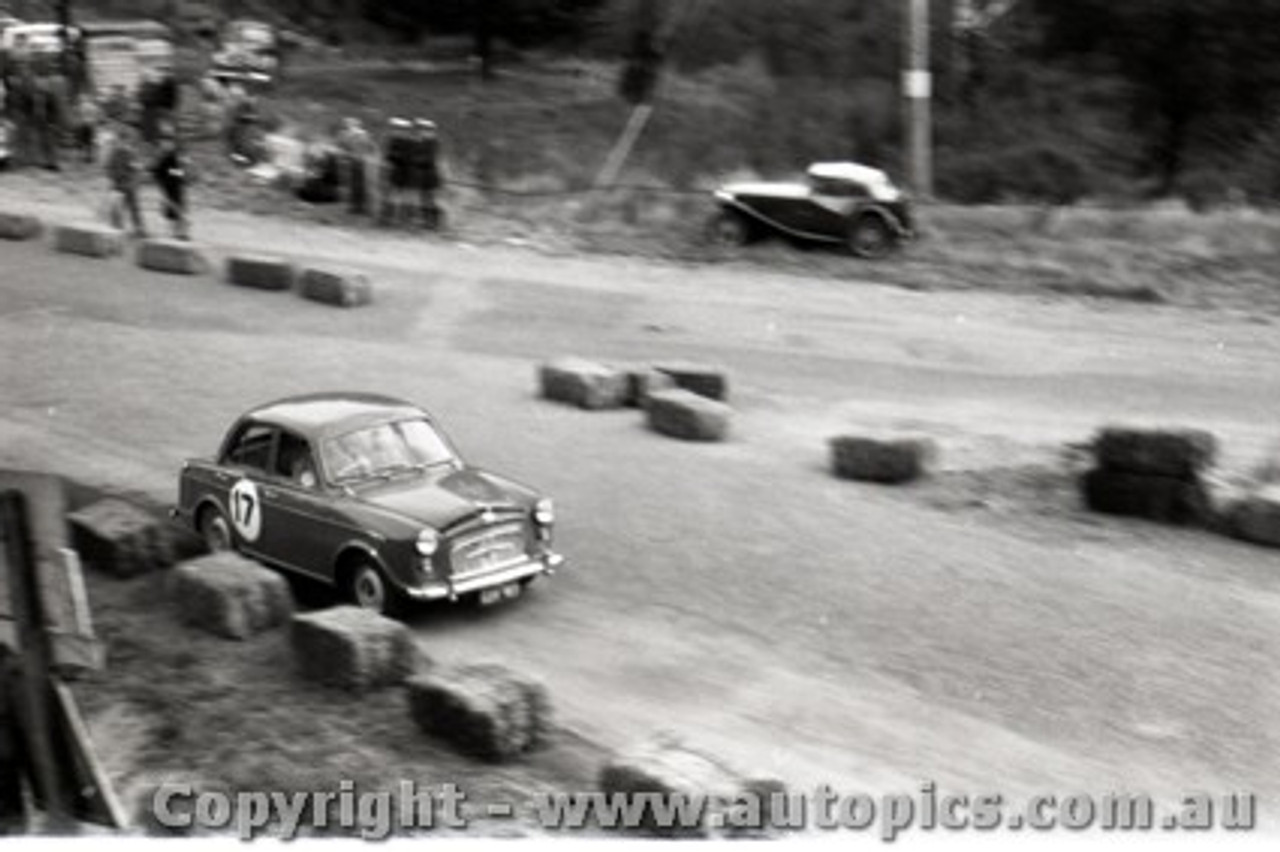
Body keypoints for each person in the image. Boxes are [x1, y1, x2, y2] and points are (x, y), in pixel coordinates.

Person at [105, 124, 146, 236]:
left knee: (134, 208)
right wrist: (112, 177)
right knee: (115, 209)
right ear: (118, 140)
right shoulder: (114, 153)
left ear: (127, 140)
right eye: (121, 140)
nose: (123, 143)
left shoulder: (131, 153)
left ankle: (139, 228)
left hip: (128, 186)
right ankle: (116, 229)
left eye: (125, 140)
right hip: (117, 186)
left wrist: (135, 179)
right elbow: (109, 167)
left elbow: (137, 169)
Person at [151, 129, 191, 239]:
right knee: (170, 213)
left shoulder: (175, 156)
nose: (164, 144)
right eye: (163, 142)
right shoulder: (163, 156)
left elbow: (181, 172)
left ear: (172, 143)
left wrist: (170, 173)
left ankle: (182, 233)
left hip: (175, 187)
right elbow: (157, 170)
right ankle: (175, 234)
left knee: (177, 210)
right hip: (166, 187)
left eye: (167, 142)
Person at [409, 118, 443, 230]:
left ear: (429, 130)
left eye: (423, 129)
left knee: (431, 199)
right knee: (423, 198)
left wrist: (415, 160)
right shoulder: (420, 141)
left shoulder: (433, 142)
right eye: (419, 129)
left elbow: (430, 159)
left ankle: (435, 223)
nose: (420, 131)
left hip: (430, 175)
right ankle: (426, 221)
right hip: (421, 175)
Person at [379, 117, 413, 225]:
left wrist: (392, 156)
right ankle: (387, 218)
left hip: (403, 172)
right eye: (395, 128)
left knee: (400, 195)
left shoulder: (408, 141)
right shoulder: (390, 139)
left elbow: (405, 157)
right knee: (388, 194)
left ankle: (402, 219)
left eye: (399, 129)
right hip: (393, 170)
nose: (396, 131)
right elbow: (386, 155)